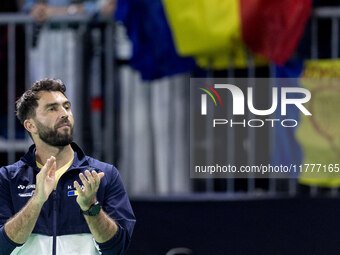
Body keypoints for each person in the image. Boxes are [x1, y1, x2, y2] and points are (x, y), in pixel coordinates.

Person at [0, 78, 135, 254]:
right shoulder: (7, 178)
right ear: (30, 125)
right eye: (52, 108)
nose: (64, 113)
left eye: (67, 106)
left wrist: (91, 208)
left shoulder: (104, 174)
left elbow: (118, 248)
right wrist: (37, 200)